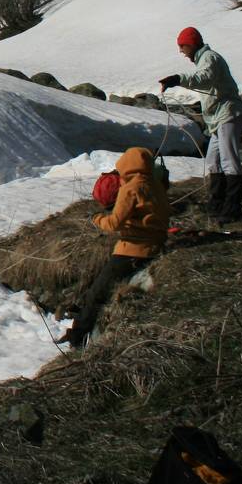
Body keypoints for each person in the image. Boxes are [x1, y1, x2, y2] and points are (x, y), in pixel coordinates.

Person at [61, 146, 171, 348]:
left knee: (98, 293)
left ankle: (77, 338)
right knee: (100, 285)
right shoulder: (156, 185)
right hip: (156, 243)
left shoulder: (131, 188)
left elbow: (114, 223)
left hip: (133, 248)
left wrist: (97, 219)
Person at [159, 26, 242, 222]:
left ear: (191, 44)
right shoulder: (205, 59)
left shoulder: (209, 58)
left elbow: (204, 78)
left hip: (227, 114)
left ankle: (233, 208)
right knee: (213, 161)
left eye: (183, 46)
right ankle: (217, 203)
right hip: (218, 118)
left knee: (228, 160)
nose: (181, 51)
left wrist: (178, 79)